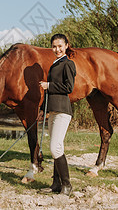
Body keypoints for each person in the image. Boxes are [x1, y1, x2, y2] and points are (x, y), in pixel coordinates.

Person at [39, 33, 76, 196]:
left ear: (66, 45)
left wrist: (49, 85)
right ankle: (56, 184)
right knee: (56, 147)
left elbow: (69, 87)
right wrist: (42, 110)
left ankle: (67, 185)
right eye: (54, 46)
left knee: (55, 148)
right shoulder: (55, 63)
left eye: (60, 46)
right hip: (53, 110)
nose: (57, 49)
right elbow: (49, 92)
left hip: (62, 110)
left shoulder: (68, 63)